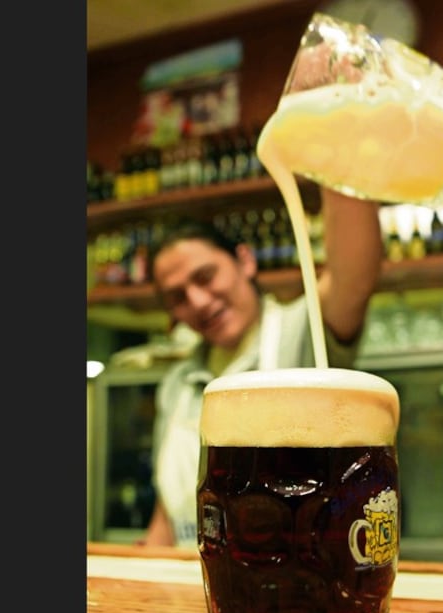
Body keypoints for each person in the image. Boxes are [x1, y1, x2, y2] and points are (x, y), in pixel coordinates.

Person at [142, 187, 383, 546]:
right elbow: (168, 510)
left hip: (288, 569)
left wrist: (342, 165)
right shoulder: (177, 383)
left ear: (245, 261)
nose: (198, 301)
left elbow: (354, 276)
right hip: (193, 565)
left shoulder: (301, 331)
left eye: (205, 277)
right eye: (177, 297)